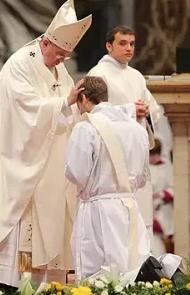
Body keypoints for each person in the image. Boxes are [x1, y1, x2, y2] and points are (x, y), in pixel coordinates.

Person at [0, 0, 91, 287]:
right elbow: (25, 109)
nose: (62, 60)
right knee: (24, 224)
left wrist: (75, 108)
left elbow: (68, 104)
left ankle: (48, 282)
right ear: (46, 43)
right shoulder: (19, 65)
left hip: (52, 159)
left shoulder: (58, 68)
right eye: (59, 53)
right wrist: (64, 103)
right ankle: (15, 283)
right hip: (25, 157)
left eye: (66, 56)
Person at [65, 76, 150, 281]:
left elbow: (76, 173)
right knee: (130, 273)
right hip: (129, 208)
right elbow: (143, 177)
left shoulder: (86, 128)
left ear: (84, 98)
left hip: (97, 211)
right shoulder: (137, 129)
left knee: (97, 277)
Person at [87, 25, 165, 244]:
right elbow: (93, 112)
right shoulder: (98, 74)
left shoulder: (136, 76)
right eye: (122, 43)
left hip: (137, 152)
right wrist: (131, 110)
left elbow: (153, 109)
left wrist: (146, 111)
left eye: (131, 43)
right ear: (108, 46)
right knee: (120, 218)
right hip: (114, 154)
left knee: (141, 214)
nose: (128, 48)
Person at [149, 139, 174, 257]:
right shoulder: (144, 167)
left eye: (156, 154)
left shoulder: (167, 166)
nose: (154, 158)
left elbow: (174, 188)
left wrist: (161, 194)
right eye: (151, 155)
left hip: (163, 208)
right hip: (148, 207)